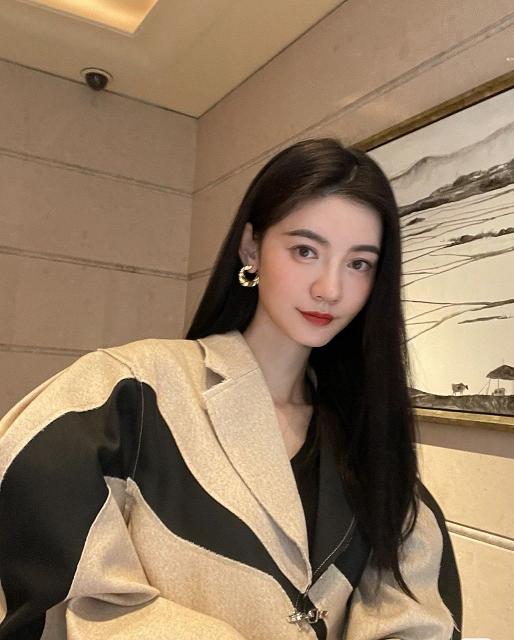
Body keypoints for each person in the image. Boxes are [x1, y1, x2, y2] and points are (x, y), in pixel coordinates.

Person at [0, 139, 461, 639]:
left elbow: (419, 613)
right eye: (305, 251)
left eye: (359, 263)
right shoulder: (133, 389)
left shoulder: (369, 440)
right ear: (251, 248)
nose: (330, 289)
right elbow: (49, 563)